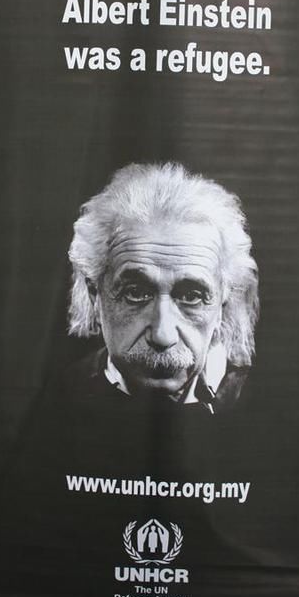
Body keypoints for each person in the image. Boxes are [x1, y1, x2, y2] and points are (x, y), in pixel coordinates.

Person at [67, 161, 259, 413]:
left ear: (223, 302)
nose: (162, 336)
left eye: (192, 296)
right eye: (136, 293)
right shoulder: (58, 396)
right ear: (95, 296)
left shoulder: (264, 406)